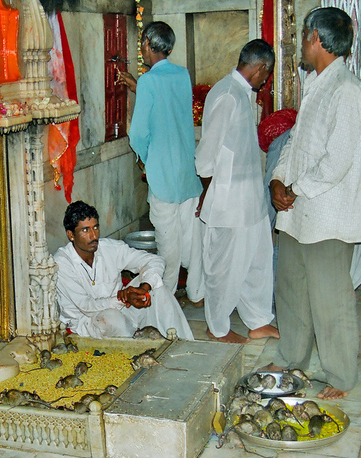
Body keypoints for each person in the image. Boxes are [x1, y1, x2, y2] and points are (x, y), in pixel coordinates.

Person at [265, 7, 361, 400]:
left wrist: (294, 190)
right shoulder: (316, 83)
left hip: (327, 215)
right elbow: (296, 143)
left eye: (305, 37)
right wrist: (278, 178)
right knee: (291, 290)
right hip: (297, 214)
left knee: (331, 302)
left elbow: (337, 161)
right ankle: (291, 356)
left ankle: (341, 376)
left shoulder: (347, 90)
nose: (302, 45)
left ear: (316, 40)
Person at [194, 39, 280, 344]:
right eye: (266, 75)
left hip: (251, 201)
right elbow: (206, 155)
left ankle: (258, 320)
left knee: (257, 261)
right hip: (229, 202)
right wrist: (208, 193)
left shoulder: (243, 94)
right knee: (224, 267)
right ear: (260, 68)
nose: (265, 81)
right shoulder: (228, 95)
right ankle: (217, 327)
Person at [116, 22, 204, 304]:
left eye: (142, 43)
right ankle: (198, 292)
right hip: (187, 174)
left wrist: (143, 159)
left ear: (147, 45)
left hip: (163, 176)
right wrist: (137, 86)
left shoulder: (149, 81)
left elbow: (139, 133)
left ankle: (165, 301)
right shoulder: (182, 74)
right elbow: (168, 110)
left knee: (167, 245)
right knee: (192, 240)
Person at [263, 123, 361, 289]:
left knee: (328, 258)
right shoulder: (329, 131)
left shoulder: (280, 141)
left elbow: (269, 204)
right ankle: (344, 289)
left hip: (351, 181)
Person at [53, 201, 194, 340]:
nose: (93, 236)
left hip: (121, 307)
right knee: (111, 320)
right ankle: (134, 354)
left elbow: (155, 260)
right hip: (88, 321)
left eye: (95, 228)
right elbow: (86, 306)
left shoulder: (108, 248)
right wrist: (123, 298)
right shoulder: (62, 262)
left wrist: (144, 287)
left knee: (157, 287)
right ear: (71, 235)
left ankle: (180, 343)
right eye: (85, 230)